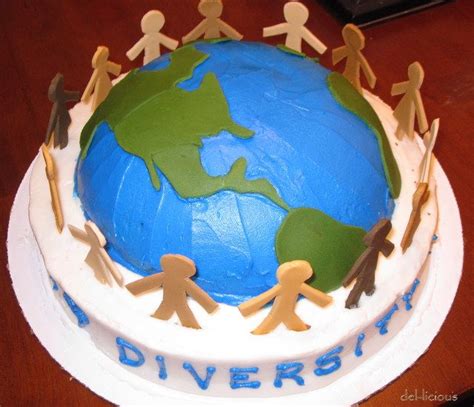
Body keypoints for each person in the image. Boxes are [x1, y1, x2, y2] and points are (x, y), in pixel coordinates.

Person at [239, 260, 332, 335]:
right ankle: (258, 334)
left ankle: (302, 331)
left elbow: (314, 295)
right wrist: (246, 308)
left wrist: (326, 301)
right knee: (268, 325)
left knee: (291, 323)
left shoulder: (298, 286)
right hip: (281, 311)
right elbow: (264, 298)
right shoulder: (293, 286)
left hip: (286, 311)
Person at [126, 254, 218, 329]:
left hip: (176, 301)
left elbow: (197, 293)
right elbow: (148, 283)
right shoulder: (167, 277)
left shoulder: (178, 280)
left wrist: (210, 306)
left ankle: (191, 326)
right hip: (169, 300)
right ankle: (189, 325)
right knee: (167, 311)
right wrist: (210, 307)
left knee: (182, 313)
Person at [45, 73, 80, 149]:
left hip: (64, 120)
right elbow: (52, 122)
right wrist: (47, 139)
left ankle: (63, 145)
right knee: (61, 134)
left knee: (62, 133)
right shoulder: (57, 104)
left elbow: (71, 95)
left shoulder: (61, 95)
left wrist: (78, 95)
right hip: (62, 122)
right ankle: (62, 145)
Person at [82, 46, 121, 111]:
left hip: (106, 82)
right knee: (99, 100)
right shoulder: (98, 70)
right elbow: (91, 83)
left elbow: (114, 68)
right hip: (100, 86)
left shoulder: (105, 64)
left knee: (110, 92)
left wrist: (118, 69)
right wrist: (85, 97)